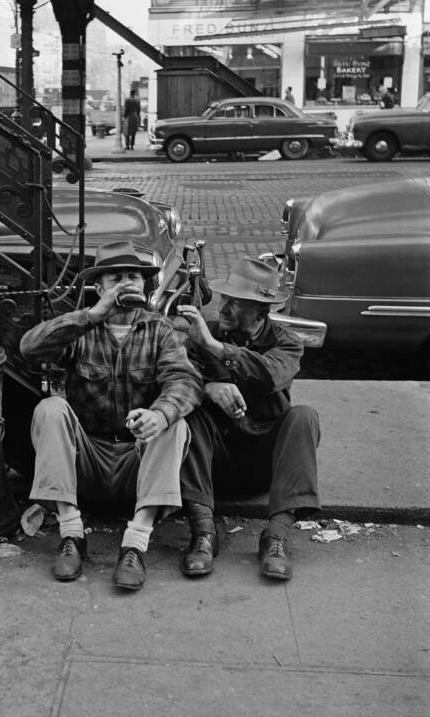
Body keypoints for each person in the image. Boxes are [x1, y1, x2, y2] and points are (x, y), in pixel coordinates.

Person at [20, 241, 203, 591]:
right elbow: (29, 348)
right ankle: (72, 533)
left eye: (133, 276)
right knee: (50, 408)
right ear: (99, 288)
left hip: (137, 466)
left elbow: (185, 381)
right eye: (116, 278)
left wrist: (158, 416)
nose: (127, 284)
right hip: (87, 462)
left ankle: (135, 543)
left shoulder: (160, 329)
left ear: (145, 285)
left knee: (174, 421)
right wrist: (91, 316)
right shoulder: (83, 329)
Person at [175, 257, 320, 582]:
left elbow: (270, 375)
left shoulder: (287, 342)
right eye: (225, 299)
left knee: (304, 417)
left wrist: (216, 348)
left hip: (263, 466)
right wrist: (209, 387)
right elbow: (175, 375)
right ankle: (202, 533)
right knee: (189, 410)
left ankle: (277, 538)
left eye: (235, 302)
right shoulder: (204, 334)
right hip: (212, 464)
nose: (224, 307)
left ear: (259, 310)